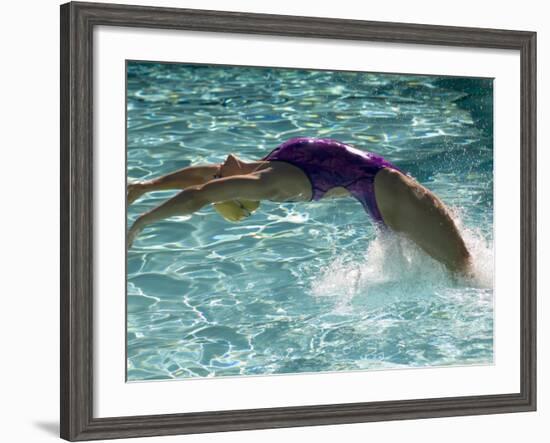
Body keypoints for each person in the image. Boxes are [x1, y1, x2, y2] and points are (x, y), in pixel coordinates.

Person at [127, 137, 471, 273]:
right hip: (390, 192)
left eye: (219, 174)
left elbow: (202, 180)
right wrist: (142, 223)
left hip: (380, 193)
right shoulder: (269, 184)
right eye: (222, 181)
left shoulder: (262, 166)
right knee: (464, 270)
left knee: (455, 268)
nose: (218, 170)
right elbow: (200, 195)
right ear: (235, 191)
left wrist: (145, 187)